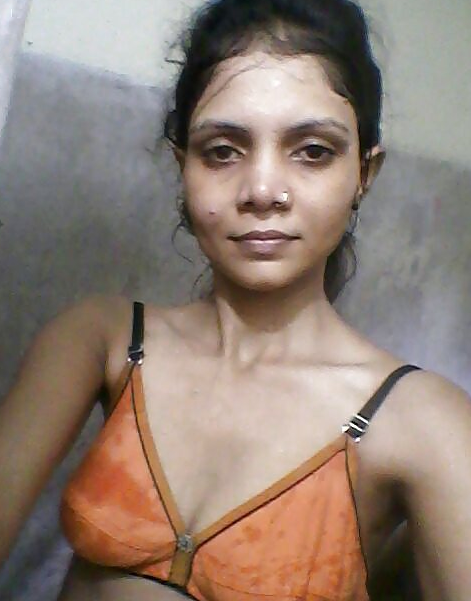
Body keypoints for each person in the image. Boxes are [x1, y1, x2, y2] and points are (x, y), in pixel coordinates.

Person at [1, 0, 470, 599]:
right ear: (183, 167)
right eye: (222, 150)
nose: (263, 190)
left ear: (364, 174)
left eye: (313, 151)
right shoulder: (102, 339)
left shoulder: (424, 421)